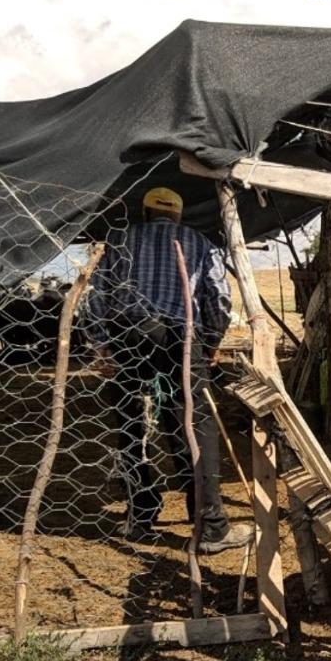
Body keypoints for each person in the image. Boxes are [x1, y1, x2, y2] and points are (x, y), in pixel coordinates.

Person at [87, 186, 252, 554]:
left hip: (127, 333)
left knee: (130, 425)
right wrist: (209, 343)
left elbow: (96, 296)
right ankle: (210, 526)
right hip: (181, 334)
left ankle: (141, 512)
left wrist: (102, 345)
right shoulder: (200, 242)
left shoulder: (120, 241)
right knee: (194, 423)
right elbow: (220, 299)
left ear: (145, 214)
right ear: (178, 216)